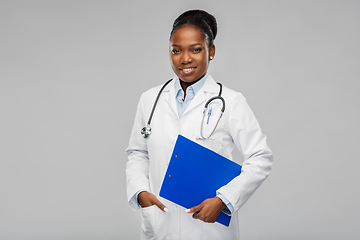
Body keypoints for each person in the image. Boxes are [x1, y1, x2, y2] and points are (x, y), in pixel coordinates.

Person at [126, 9, 273, 240]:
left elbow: (261, 158)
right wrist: (140, 192)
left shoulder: (231, 101)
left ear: (211, 51)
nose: (185, 59)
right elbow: (137, 152)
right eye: (176, 51)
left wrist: (224, 200)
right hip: (160, 222)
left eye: (195, 49)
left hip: (208, 229)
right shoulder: (150, 99)